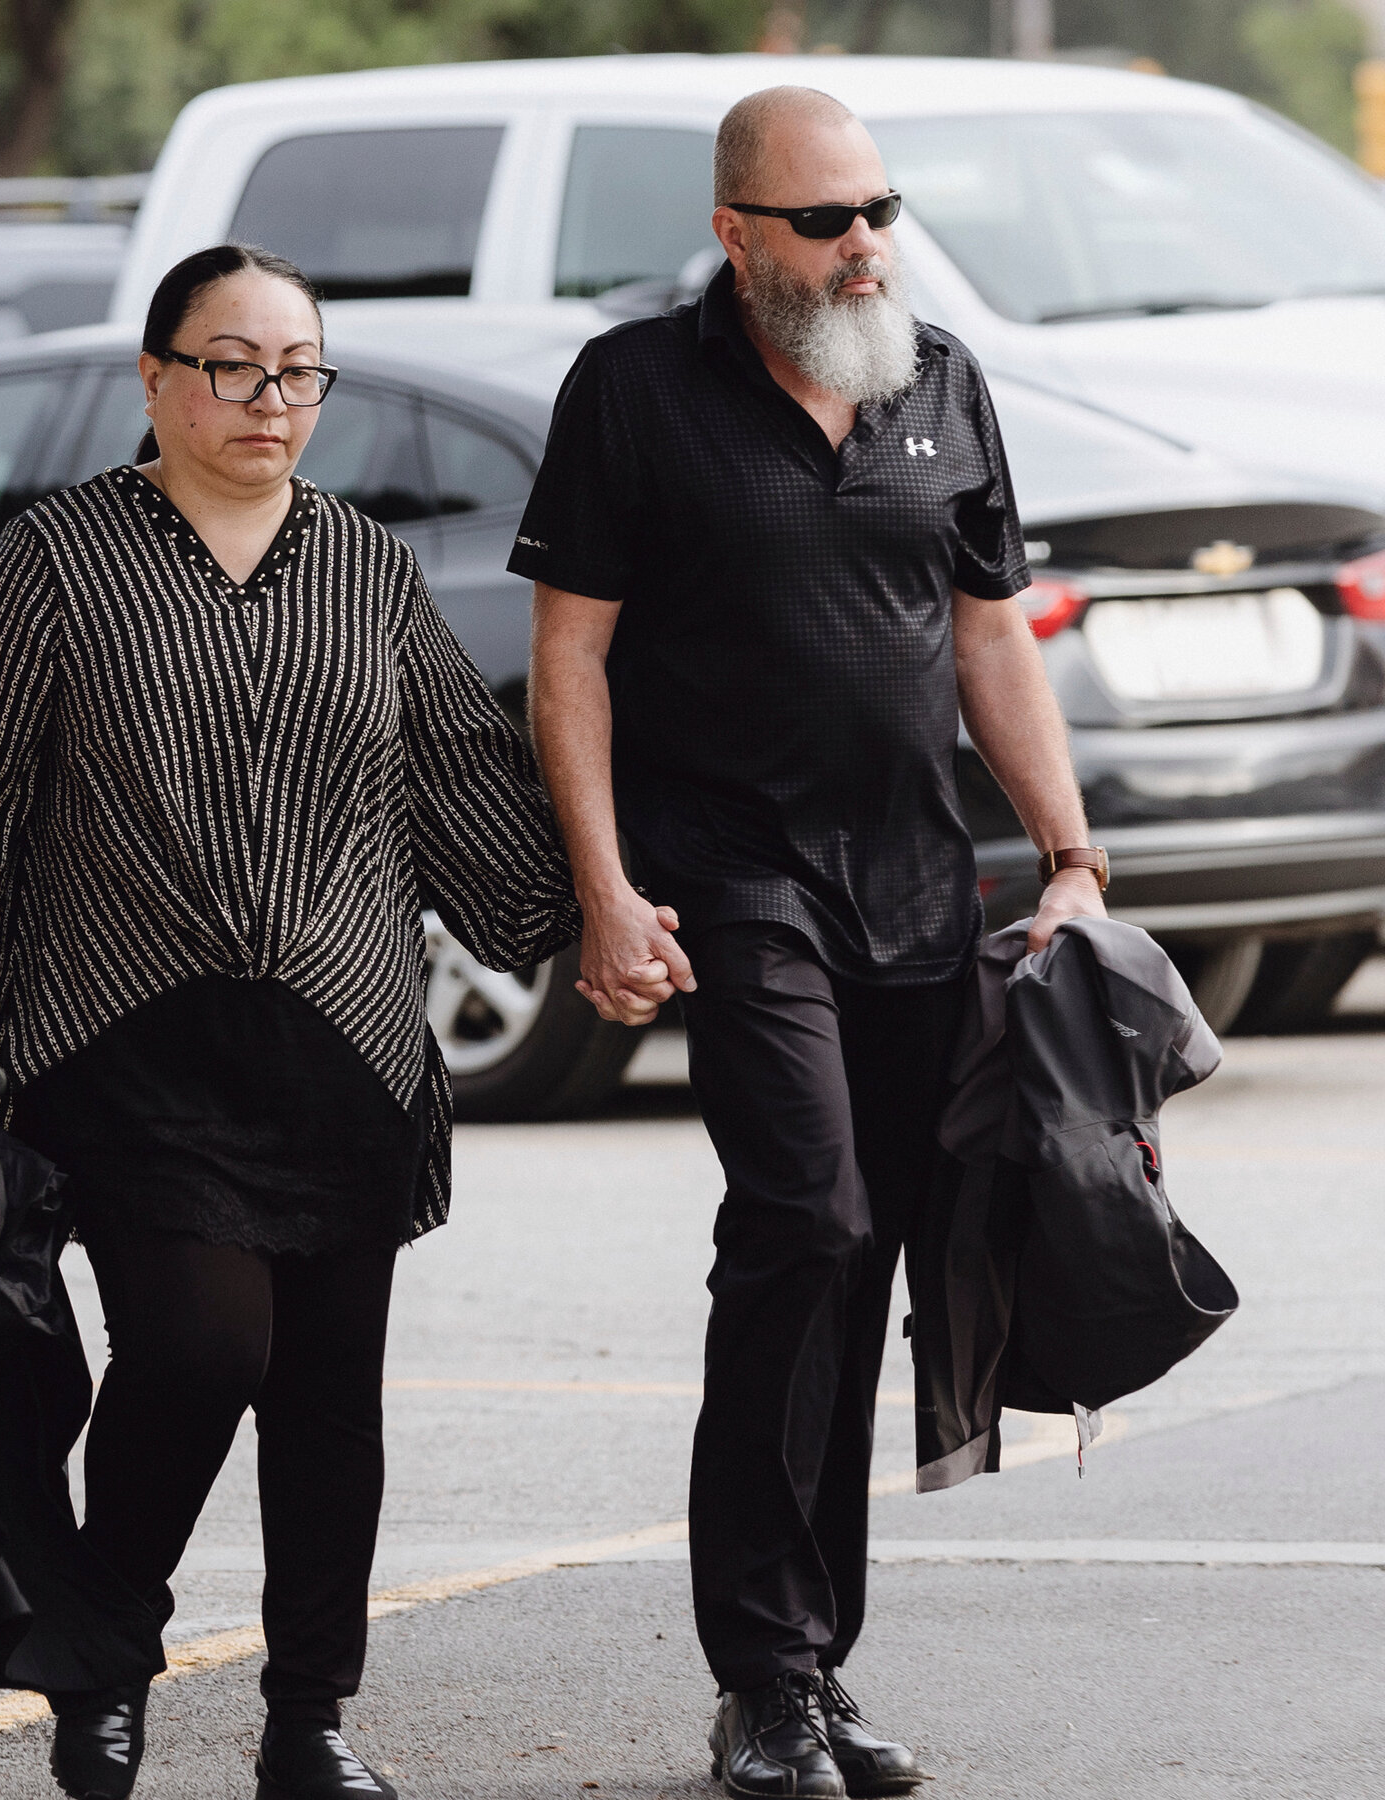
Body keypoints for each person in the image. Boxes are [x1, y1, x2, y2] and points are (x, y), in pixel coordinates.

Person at [0, 242, 578, 1800]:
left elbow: (460, 775)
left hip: (347, 1046)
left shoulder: (368, 568)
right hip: (126, 1038)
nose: (272, 399)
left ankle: (310, 1721)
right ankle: (101, 1654)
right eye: (234, 365)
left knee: (331, 1404)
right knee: (197, 1348)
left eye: (300, 370)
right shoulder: (61, 560)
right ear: (156, 378)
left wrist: (589, 919)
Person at [517, 87, 1108, 1799]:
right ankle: (763, 1670)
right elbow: (572, 663)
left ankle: (811, 1671)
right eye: (826, 221)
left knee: (874, 1261)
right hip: (736, 876)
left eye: (879, 211)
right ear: (734, 236)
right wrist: (606, 887)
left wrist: (1069, 854)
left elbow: (992, 639)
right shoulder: (635, 391)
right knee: (806, 1217)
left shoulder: (937, 377)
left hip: (924, 892)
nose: (865, 246)